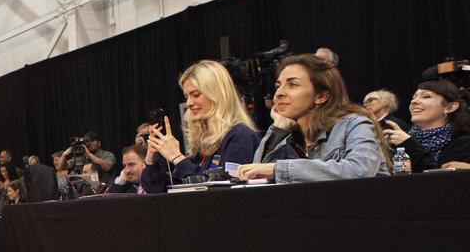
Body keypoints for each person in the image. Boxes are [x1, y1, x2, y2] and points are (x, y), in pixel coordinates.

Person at [236, 54, 387, 183]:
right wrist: (277, 129)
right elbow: (256, 176)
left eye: (293, 85)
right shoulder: (285, 135)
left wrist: (279, 169)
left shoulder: (354, 124)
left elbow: (360, 170)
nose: (279, 93)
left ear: (321, 96)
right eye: (278, 85)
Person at [142, 60, 260, 193]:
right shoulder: (205, 143)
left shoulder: (240, 136)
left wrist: (176, 157)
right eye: (186, 96)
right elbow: (160, 190)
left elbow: (224, 193)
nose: (189, 103)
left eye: (196, 94)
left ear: (217, 94)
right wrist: (152, 160)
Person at [381, 79, 470, 172]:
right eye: (413, 97)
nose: (414, 101)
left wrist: (409, 144)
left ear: (450, 107)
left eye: (426, 96)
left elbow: (441, 181)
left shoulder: (462, 143)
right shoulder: (402, 139)